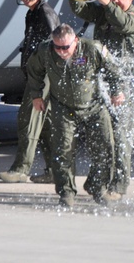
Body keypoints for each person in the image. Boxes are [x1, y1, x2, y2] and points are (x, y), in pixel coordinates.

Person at [24, 24, 124, 207]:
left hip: (94, 107)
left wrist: (116, 91)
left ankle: (97, 186)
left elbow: (114, 70)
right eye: (58, 47)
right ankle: (66, 193)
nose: (61, 51)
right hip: (63, 107)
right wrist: (37, 95)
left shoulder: (92, 49)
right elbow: (34, 70)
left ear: (75, 41)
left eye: (66, 47)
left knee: (105, 146)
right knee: (63, 150)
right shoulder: (46, 51)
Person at [69, 0, 134, 199]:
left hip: (124, 86)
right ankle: (97, 182)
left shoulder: (133, 18)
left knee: (120, 136)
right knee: (100, 136)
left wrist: (106, 4)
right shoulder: (105, 12)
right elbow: (80, 9)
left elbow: (121, 23)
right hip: (103, 81)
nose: (115, 0)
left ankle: (119, 186)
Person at [0, 0, 59, 184]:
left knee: (28, 120)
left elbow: (56, 40)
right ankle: (54, 171)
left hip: (42, 76)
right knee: (47, 125)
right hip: (39, 73)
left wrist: (41, 70)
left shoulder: (44, 12)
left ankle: (20, 169)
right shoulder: (32, 14)